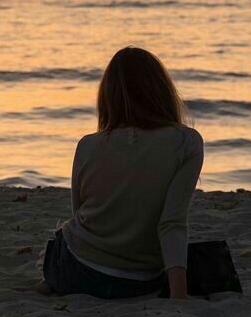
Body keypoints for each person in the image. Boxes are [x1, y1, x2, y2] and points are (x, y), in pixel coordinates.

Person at [38, 46, 204, 300]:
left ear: (108, 95)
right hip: (141, 281)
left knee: (64, 236)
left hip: (79, 272)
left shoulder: (87, 145)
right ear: (162, 90)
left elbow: (79, 212)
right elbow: (172, 222)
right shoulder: (186, 142)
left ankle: (49, 284)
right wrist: (178, 296)